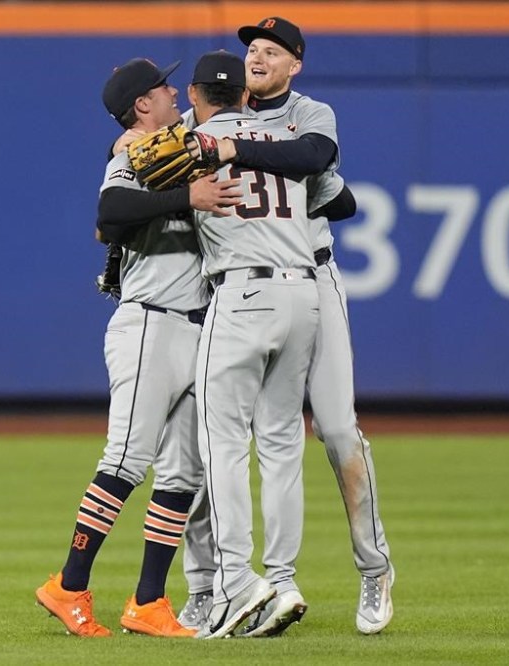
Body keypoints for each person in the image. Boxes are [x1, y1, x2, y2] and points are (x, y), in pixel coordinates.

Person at [177, 17, 395, 637]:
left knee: (335, 431)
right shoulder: (216, 123)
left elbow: (320, 164)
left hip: (313, 276)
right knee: (271, 437)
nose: (258, 57)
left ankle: (373, 566)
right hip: (276, 285)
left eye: (271, 51)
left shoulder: (309, 113)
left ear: (293, 64)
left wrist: (235, 151)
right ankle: (268, 581)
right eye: (252, 49)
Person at [33, 57, 240, 638]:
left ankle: (149, 602)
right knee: (124, 460)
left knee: (182, 472)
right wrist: (185, 197)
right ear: (141, 106)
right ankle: (68, 586)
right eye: (162, 88)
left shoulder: (177, 148)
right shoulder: (130, 153)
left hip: (198, 327)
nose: (174, 91)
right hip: (150, 324)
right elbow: (110, 212)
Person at [185, 49, 321, 639]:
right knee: (283, 446)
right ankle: (283, 580)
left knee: (222, 446)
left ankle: (237, 585)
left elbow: (126, 191)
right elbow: (333, 192)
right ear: (244, 94)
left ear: (195, 97)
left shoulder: (192, 142)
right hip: (302, 296)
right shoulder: (279, 135)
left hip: (242, 295)